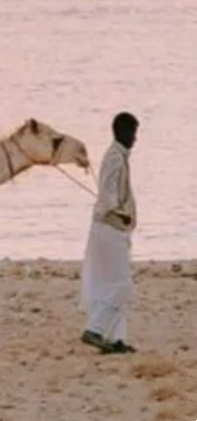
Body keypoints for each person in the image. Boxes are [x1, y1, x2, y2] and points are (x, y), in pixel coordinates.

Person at [80, 111, 139, 355]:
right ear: (123, 133)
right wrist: (121, 213)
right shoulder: (115, 157)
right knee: (122, 284)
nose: (135, 139)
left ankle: (116, 339)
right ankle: (95, 329)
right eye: (133, 134)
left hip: (110, 229)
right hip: (110, 228)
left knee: (109, 284)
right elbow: (108, 193)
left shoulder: (118, 155)